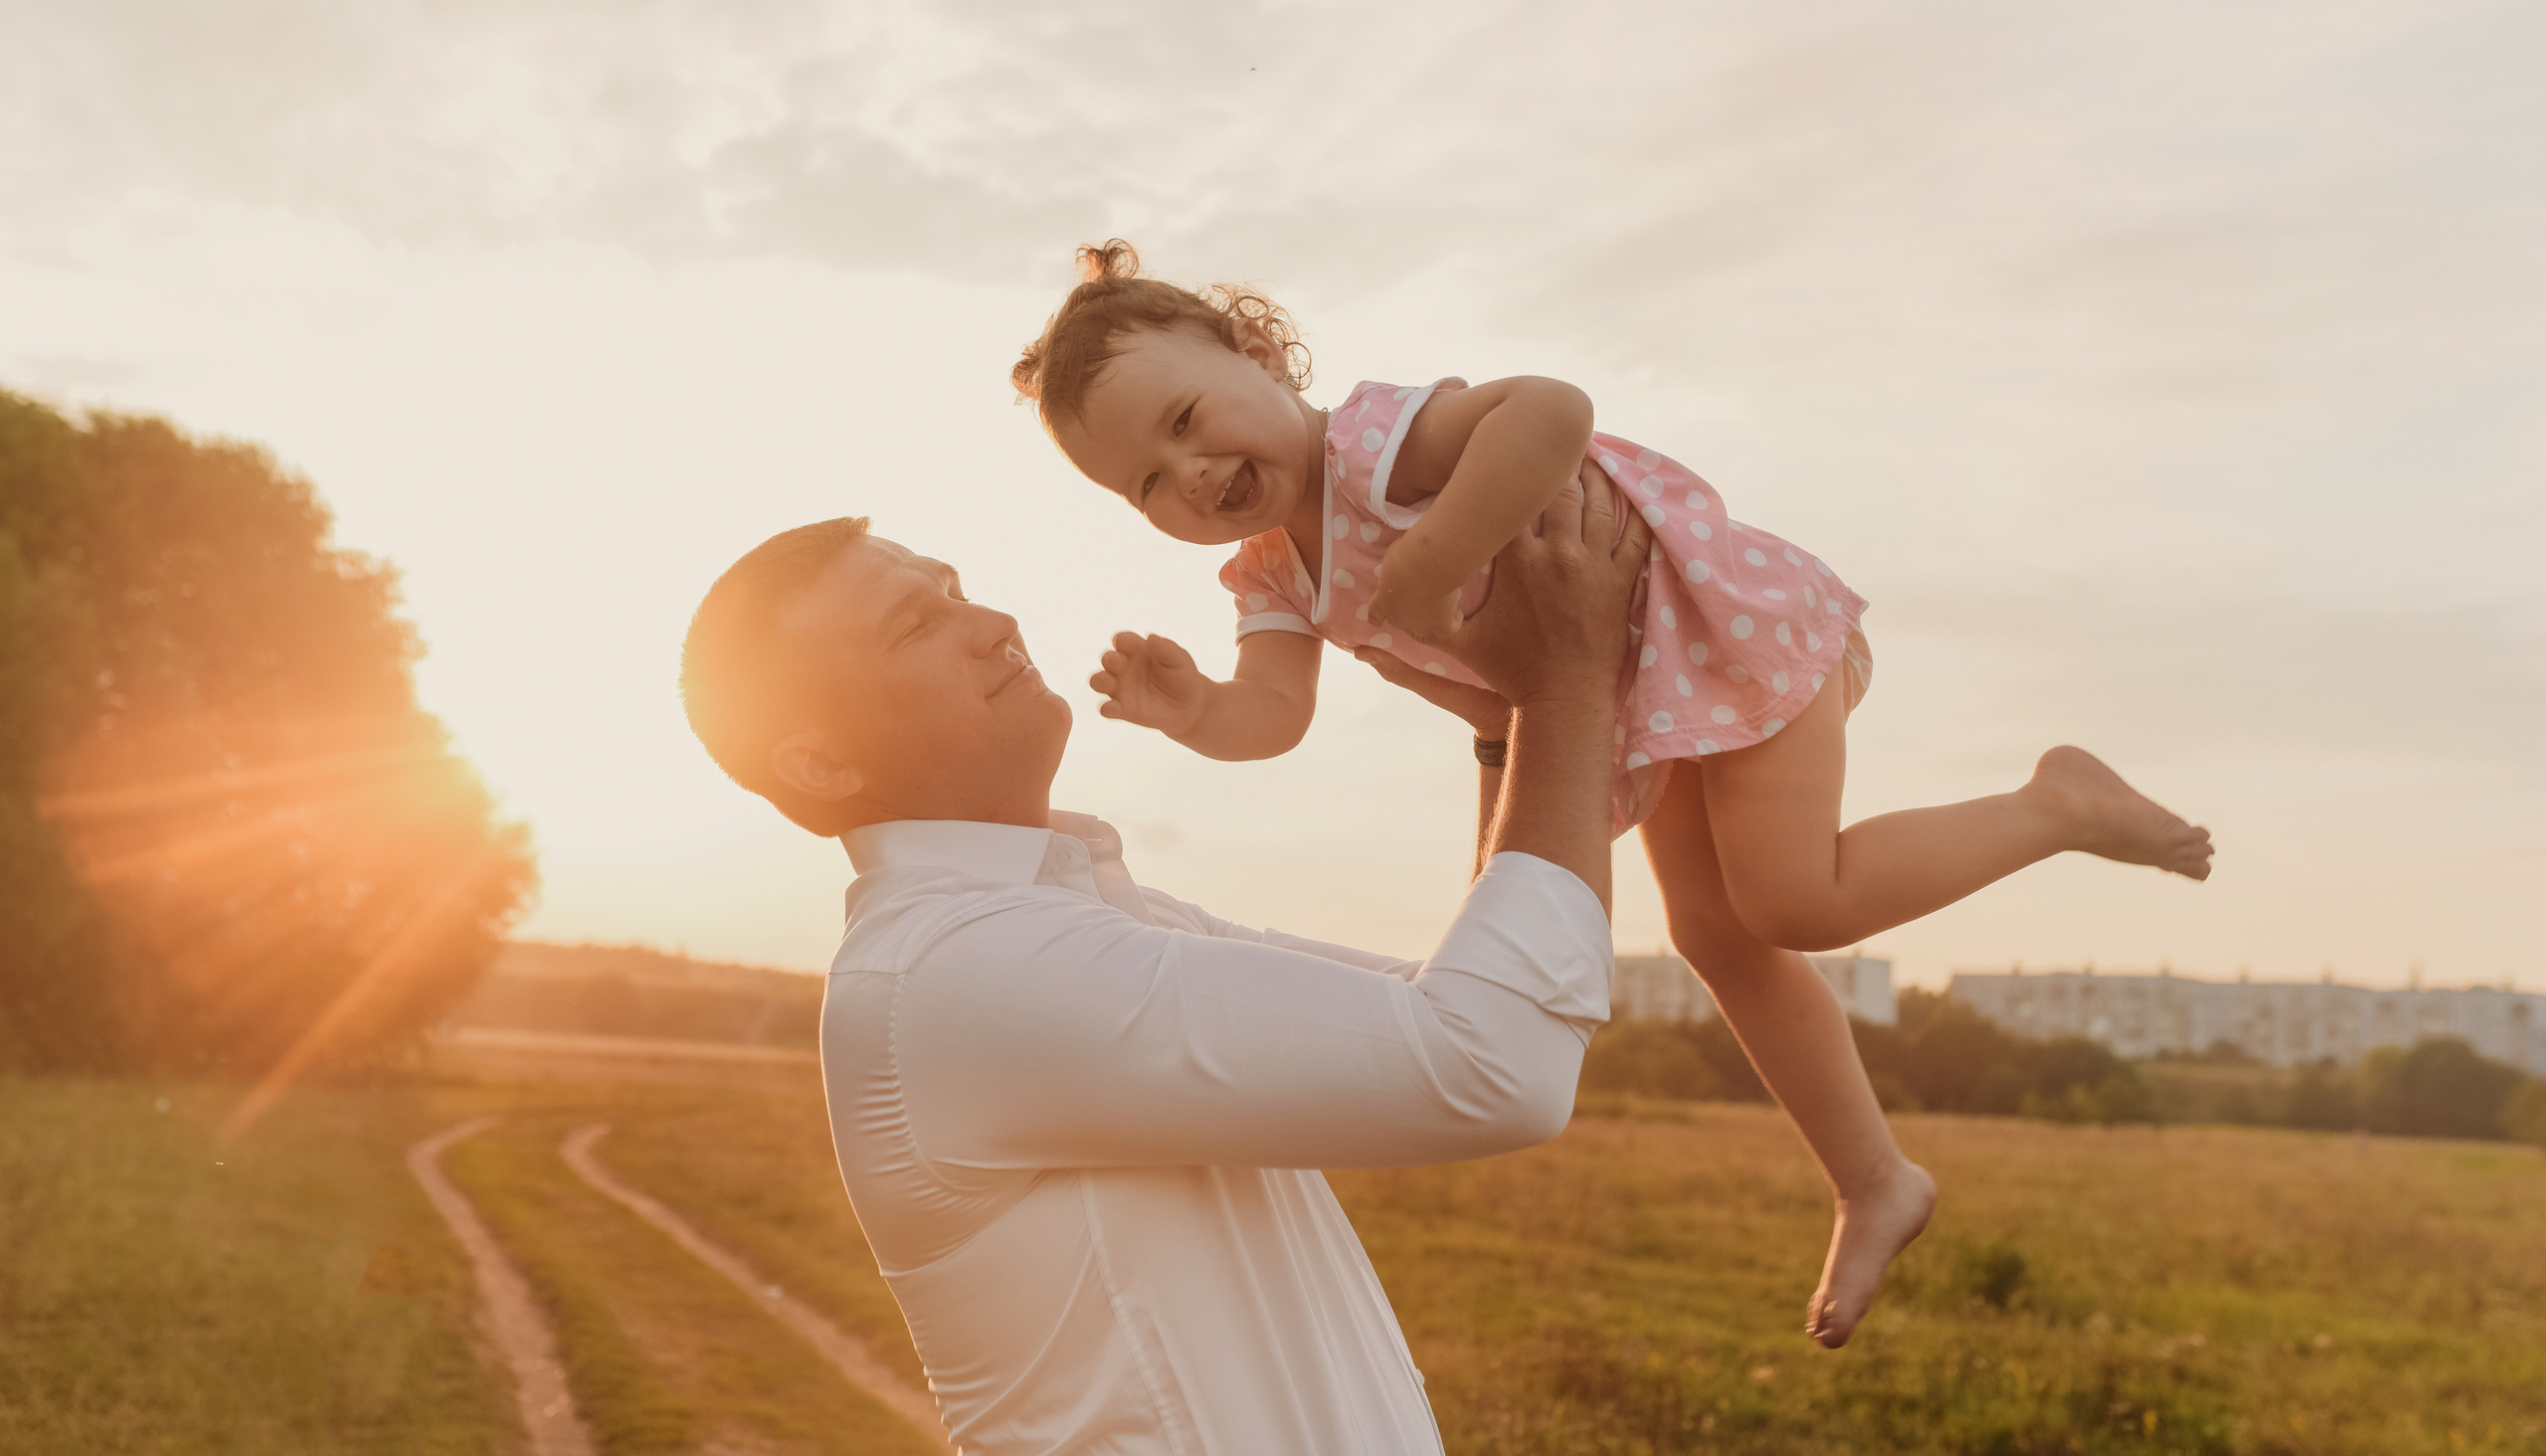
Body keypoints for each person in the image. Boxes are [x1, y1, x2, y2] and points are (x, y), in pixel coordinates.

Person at [1010, 240, 2218, 1347]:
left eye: (1186, 419)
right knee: (1717, 937)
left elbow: (1549, 411)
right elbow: (1274, 714)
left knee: (1791, 899)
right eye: (1146, 481)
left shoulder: (1377, 442)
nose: (1190, 472)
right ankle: (1872, 1179)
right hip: (1644, 697)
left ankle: (2054, 804)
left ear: (1261, 355)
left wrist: (1434, 555)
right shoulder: (1273, 573)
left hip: (1723, 624)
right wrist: (1195, 710)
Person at [677, 463, 1653, 1454]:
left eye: (955, 588)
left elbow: (1481, 1000)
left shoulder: (1078, 920)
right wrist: (1561, 683)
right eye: (915, 624)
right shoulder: (947, 970)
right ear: (820, 762)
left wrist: (1505, 733)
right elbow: (1494, 1061)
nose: (992, 621)